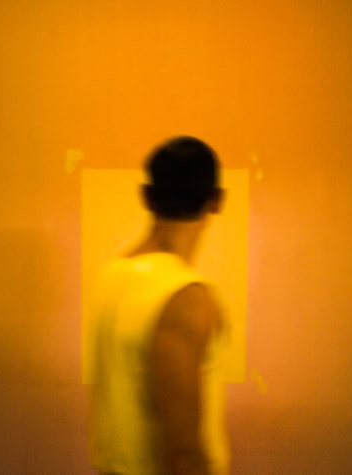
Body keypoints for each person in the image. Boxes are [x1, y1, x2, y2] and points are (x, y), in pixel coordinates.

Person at [87, 136, 231, 475]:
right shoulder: (185, 298)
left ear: (147, 196)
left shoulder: (111, 276)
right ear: (217, 201)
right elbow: (183, 450)